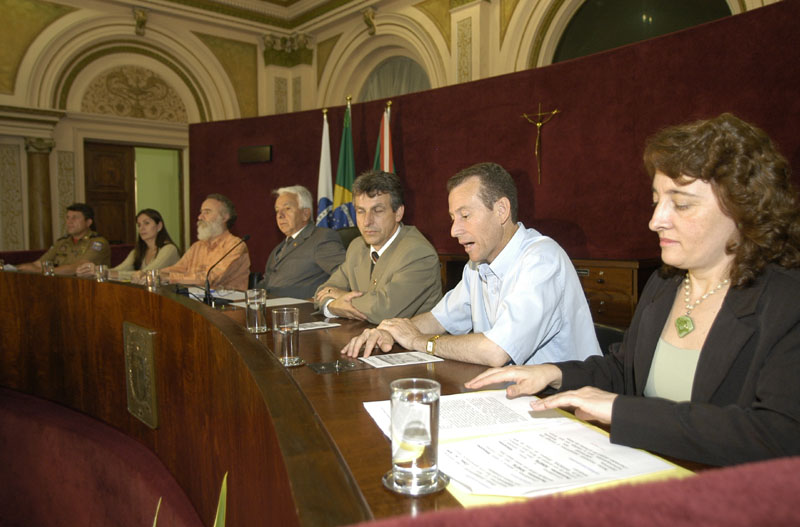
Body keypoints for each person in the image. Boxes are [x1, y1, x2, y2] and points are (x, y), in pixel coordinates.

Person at [466, 113, 800, 466]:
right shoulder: (665, 284)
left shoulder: (785, 302)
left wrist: (624, 413)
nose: (656, 221)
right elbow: (626, 372)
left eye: (682, 204)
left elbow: (778, 435)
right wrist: (553, 372)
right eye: (657, 201)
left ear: (743, 208)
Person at [342, 162, 599, 366]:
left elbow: (496, 350)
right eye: (453, 218)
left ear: (501, 210)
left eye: (465, 216)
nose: (454, 230)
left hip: (565, 404)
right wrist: (389, 331)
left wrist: (420, 342)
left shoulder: (542, 260)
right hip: (513, 395)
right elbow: (439, 319)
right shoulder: (477, 266)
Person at [313, 170, 441, 324]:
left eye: (377, 211)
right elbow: (322, 292)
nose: (367, 221)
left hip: (407, 345)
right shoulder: (357, 247)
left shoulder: (418, 253)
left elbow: (383, 310)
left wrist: (340, 297)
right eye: (361, 211)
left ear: (398, 213)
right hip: (363, 338)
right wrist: (330, 306)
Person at [257, 185, 345, 298]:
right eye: (277, 210)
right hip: (272, 308)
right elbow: (266, 283)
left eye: (287, 208)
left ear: (305, 214)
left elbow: (344, 273)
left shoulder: (321, 238)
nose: (280, 215)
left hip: (301, 311)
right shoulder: (279, 248)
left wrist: (323, 299)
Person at [159, 193, 250, 290]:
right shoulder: (197, 246)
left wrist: (169, 278)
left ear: (224, 217)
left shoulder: (235, 245)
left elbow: (209, 279)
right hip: (196, 301)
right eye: (201, 212)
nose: (200, 217)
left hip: (226, 303)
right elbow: (178, 269)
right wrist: (151, 275)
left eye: (207, 212)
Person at [76, 208, 180, 280]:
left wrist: (105, 273)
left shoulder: (169, 249)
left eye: (146, 223)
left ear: (159, 226)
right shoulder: (138, 251)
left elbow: (146, 274)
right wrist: (95, 270)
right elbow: (119, 270)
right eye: (139, 225)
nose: (141, 228)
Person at [16, 203, 110, 275]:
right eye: (67, 218)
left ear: (88, 222)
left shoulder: (98, 243)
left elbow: (78, 268)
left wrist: (42, 271)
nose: (69, 222)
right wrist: (15, 269)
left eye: (75, 218)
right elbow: (39, 264)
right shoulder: (62, 242)